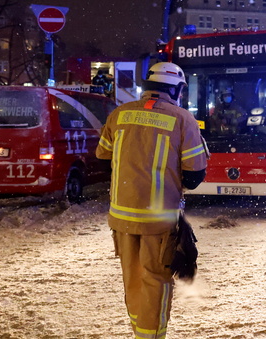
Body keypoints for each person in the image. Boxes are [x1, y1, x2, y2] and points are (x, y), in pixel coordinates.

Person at [96, 62, 208, 339]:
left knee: (133, 281)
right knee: (155, 281)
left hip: (121, 218)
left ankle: (139, 332)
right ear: (177, 88)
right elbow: (195, 176)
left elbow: (102, 160)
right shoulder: (182, 119)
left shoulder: (120, 114)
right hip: (158, 220)